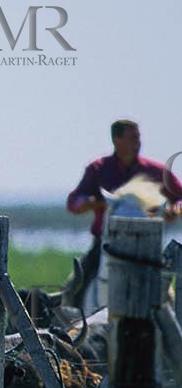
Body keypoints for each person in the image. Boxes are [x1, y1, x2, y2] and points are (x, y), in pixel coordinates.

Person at [65, 119, 182, 304]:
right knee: (74, 289)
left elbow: (180, 197)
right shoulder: (98, 168)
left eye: (138, 138)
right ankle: (72, 327)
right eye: (132, 138)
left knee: (167, 298)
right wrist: (94, 203)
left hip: (146, 246)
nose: (138, 143)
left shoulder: (155, 171)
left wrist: (175, 209)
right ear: (116, 140)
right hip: (105, 244)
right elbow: (74, 202)